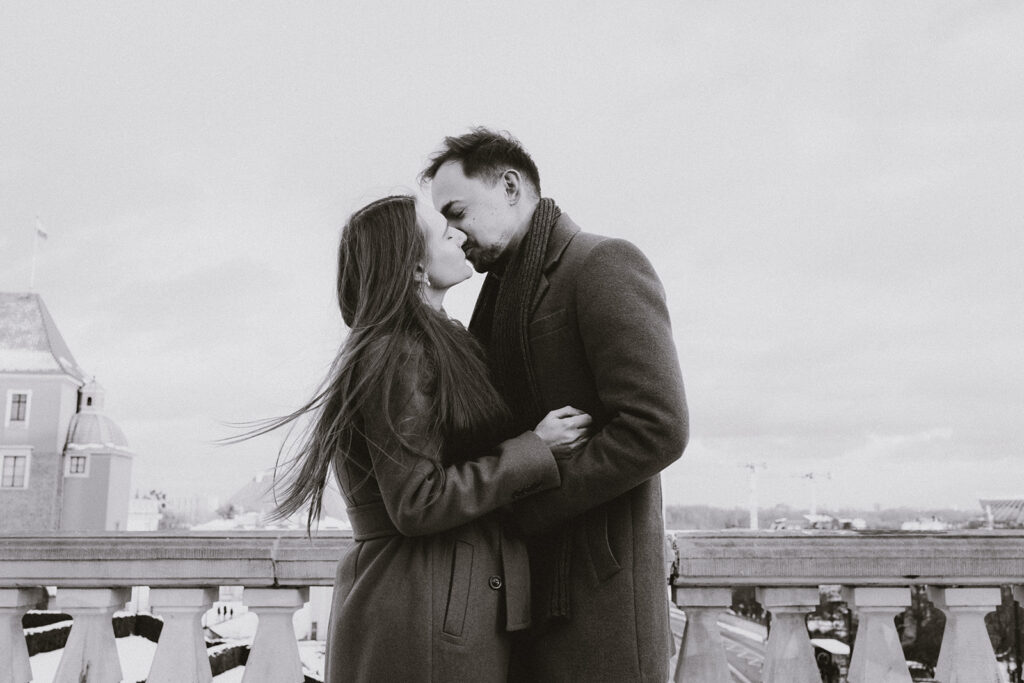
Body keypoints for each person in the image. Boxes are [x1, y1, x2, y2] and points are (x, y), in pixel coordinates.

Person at [242, 195, 593, 682]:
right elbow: (417, 501)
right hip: (421, 610)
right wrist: (536, 448)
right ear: (414, 268)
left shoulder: (426, 342)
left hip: (428, 601)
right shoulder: (399, 353)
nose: (459, 234)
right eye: (444, 231)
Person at [422, 128, 689, 682]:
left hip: (597, 588)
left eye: (458, 212)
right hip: (519, 586)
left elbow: (657, 427)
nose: (454, 233)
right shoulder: (498, 294)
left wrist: (531, 506)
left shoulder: (603, 263)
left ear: (511, 187)